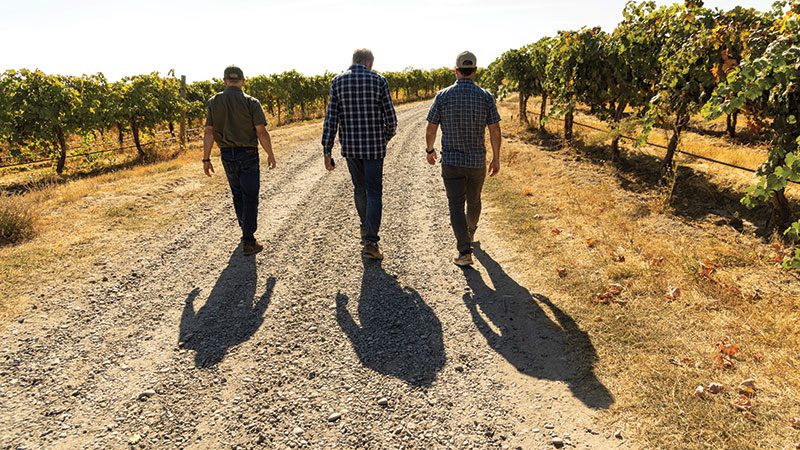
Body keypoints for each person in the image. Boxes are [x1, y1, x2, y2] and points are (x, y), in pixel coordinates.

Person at [425, 51, 502, 267]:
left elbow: (431, 128)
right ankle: (471, 231)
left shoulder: (443, 96)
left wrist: (429, 150)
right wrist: (496, 158)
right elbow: (495, 130)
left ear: (456, 70)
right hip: (477, 161)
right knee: (474, 199)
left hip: (452, 162)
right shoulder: (486, 96)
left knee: (456, 205)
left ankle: (464, 251)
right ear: (475, 71)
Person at [322, 49, 398, 260]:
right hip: (374, 148)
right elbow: (391, 119)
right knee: (374, 192)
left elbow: (331, 119)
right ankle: (371, 243)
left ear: (353, 61)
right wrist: (384, 138)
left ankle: (365, 228)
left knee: (360, 188)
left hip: (351, 148)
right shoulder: (379, 80)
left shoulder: (337, 82)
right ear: (369, 63)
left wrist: (327, 150)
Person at [203, 65, 277, 256]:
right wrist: (270, 153)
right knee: (250, 196)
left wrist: (206, 158)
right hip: (248, 153)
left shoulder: (213, 102)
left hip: (227, 154)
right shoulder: (251, 102)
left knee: (237, 194)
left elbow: (209, 131)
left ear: (225, 81)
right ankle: (249, 240)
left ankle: (245, 230)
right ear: (242, 81)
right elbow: (261, 131)